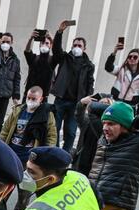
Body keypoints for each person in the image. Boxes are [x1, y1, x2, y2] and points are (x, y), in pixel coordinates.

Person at [0, 85, 57, 210]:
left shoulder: (47, 115)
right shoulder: (18, 110)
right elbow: (5, 131)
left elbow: (51, 137)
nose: (30, 101)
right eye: (28, 97)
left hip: (30, 161)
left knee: (24, 194)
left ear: (41, 99)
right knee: (3, 190)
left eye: (34, 99)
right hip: (12, 157)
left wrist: (45, 156)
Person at [51, 21, 95, 152]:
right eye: (75, 45)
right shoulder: (65, 58)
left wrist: (88, 100)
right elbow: (56, 49)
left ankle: (65, 154)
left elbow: (90, 83)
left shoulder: (88, 65)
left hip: (76, 103)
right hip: (61, 99)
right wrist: (59, 32)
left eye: (79, 45)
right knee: (54, 128)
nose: (77, 47)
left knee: (70, 131)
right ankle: (55, 152)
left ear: (84, 48)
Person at [72, 95, 113, 175]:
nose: (102, 106)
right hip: (81, 160)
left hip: (97, 162)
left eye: (106, 104)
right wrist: (81, 103)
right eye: (101, 103)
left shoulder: (111, 125)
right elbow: (78, 115)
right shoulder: (87, 120)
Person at [105, 45, 139, 115]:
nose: (132, 58)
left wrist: (138, 116)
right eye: (130, 57)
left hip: (130, 107)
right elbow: (108, 67)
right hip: (116, 102)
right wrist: (114, 52)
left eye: (135, 57)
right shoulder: (121, 69)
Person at [23, 31, 55, 100]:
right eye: (42, 43)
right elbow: (27, 51)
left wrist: (52, 39)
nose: (44, 45)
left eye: (47, 43)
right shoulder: (34, 58)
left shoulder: (52, 60)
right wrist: (30, 39)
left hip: (43, 97)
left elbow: (58, 52)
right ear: (39, 45)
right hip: (29, 94)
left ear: (50, 45)